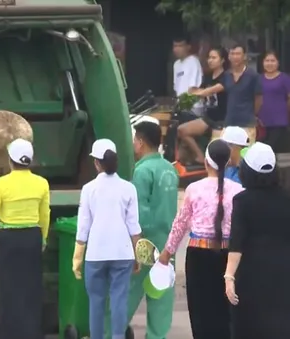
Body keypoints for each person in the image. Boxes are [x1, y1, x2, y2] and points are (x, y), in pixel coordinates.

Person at [158, 139, 243, 339]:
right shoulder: (239, 191)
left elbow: (180, 224)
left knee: (201, 311)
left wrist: (166, 253)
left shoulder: (194, 189)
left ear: (206, 162)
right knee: (226, 312)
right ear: (228, 162)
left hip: (198, 256)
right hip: (228, 257)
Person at [0, 138, 49, 339]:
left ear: (11, 161)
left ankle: (8, 333)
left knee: (7, 289)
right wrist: (43, 239)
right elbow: (44, 215)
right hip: (32, 237)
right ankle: (31, 332)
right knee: (30, 288)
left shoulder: (2, 184)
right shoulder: (41, 183)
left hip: (9, 240)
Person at [72, 139, 142, 339]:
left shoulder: (89, 189)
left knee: (96, 301)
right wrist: (138, 254)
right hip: (123, 253)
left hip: (96, 254)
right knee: (119, 299)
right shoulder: (129, 188)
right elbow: (133, 226)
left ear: (96, 163)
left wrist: (77, 256)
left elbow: (83, 225)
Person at [225, 142, 290, 338]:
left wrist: (229, 276)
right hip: (283, 270)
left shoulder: (242, 200)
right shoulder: (286, 198)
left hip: (251, 271)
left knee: (249, 323)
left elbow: (237, 241)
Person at [122, 121, 179, 339]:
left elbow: (139, 213)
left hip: (145, 242)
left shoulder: (142, 171)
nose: (134, 144)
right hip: (167, 243)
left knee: (127, 294)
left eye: (135, 140)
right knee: (161, 297)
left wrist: (135, 243)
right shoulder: (170, 169)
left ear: (142, 142)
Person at [191, 44, 262, 143]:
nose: (235, 57)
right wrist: (198, 92)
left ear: (244, 56)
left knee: (245, 154)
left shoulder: (253, 75)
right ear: (229, 56)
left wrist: (251, 113)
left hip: (247, 123)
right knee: (225, 154)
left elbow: (258, 99)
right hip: (229, 123)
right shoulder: (227, 75)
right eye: (232, 54)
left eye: (238, 54)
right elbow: (215, 88)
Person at [178, 47, 229, 163]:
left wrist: (198, 92)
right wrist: (192, 93)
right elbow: (198, 91)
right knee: (182, 130)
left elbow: (208, 91)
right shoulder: (207, 77)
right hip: (208, 118)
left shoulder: (226, 77)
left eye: (214, 58)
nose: (210, 60)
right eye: (209, 58)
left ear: (222, 60)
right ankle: (200, 156)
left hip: (222, 120)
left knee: (215, 153)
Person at [258, 51, 290, 152]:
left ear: (278, 62)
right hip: (262, 122)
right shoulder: (259, 79)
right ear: (263, 62)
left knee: (271, 150)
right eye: (267, 60)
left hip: (279, 122)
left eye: (273, 60)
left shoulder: (284, 78)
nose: (269, 63)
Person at [172, 35, 204, 116]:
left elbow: (193, 88)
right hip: (181, 107)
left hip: (193, 106)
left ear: (188, 47)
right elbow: (176, 88)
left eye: (180, 46)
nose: (177, 49)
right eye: (175, 46)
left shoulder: (193, 61)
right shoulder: (176, 64)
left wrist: (184, 104)